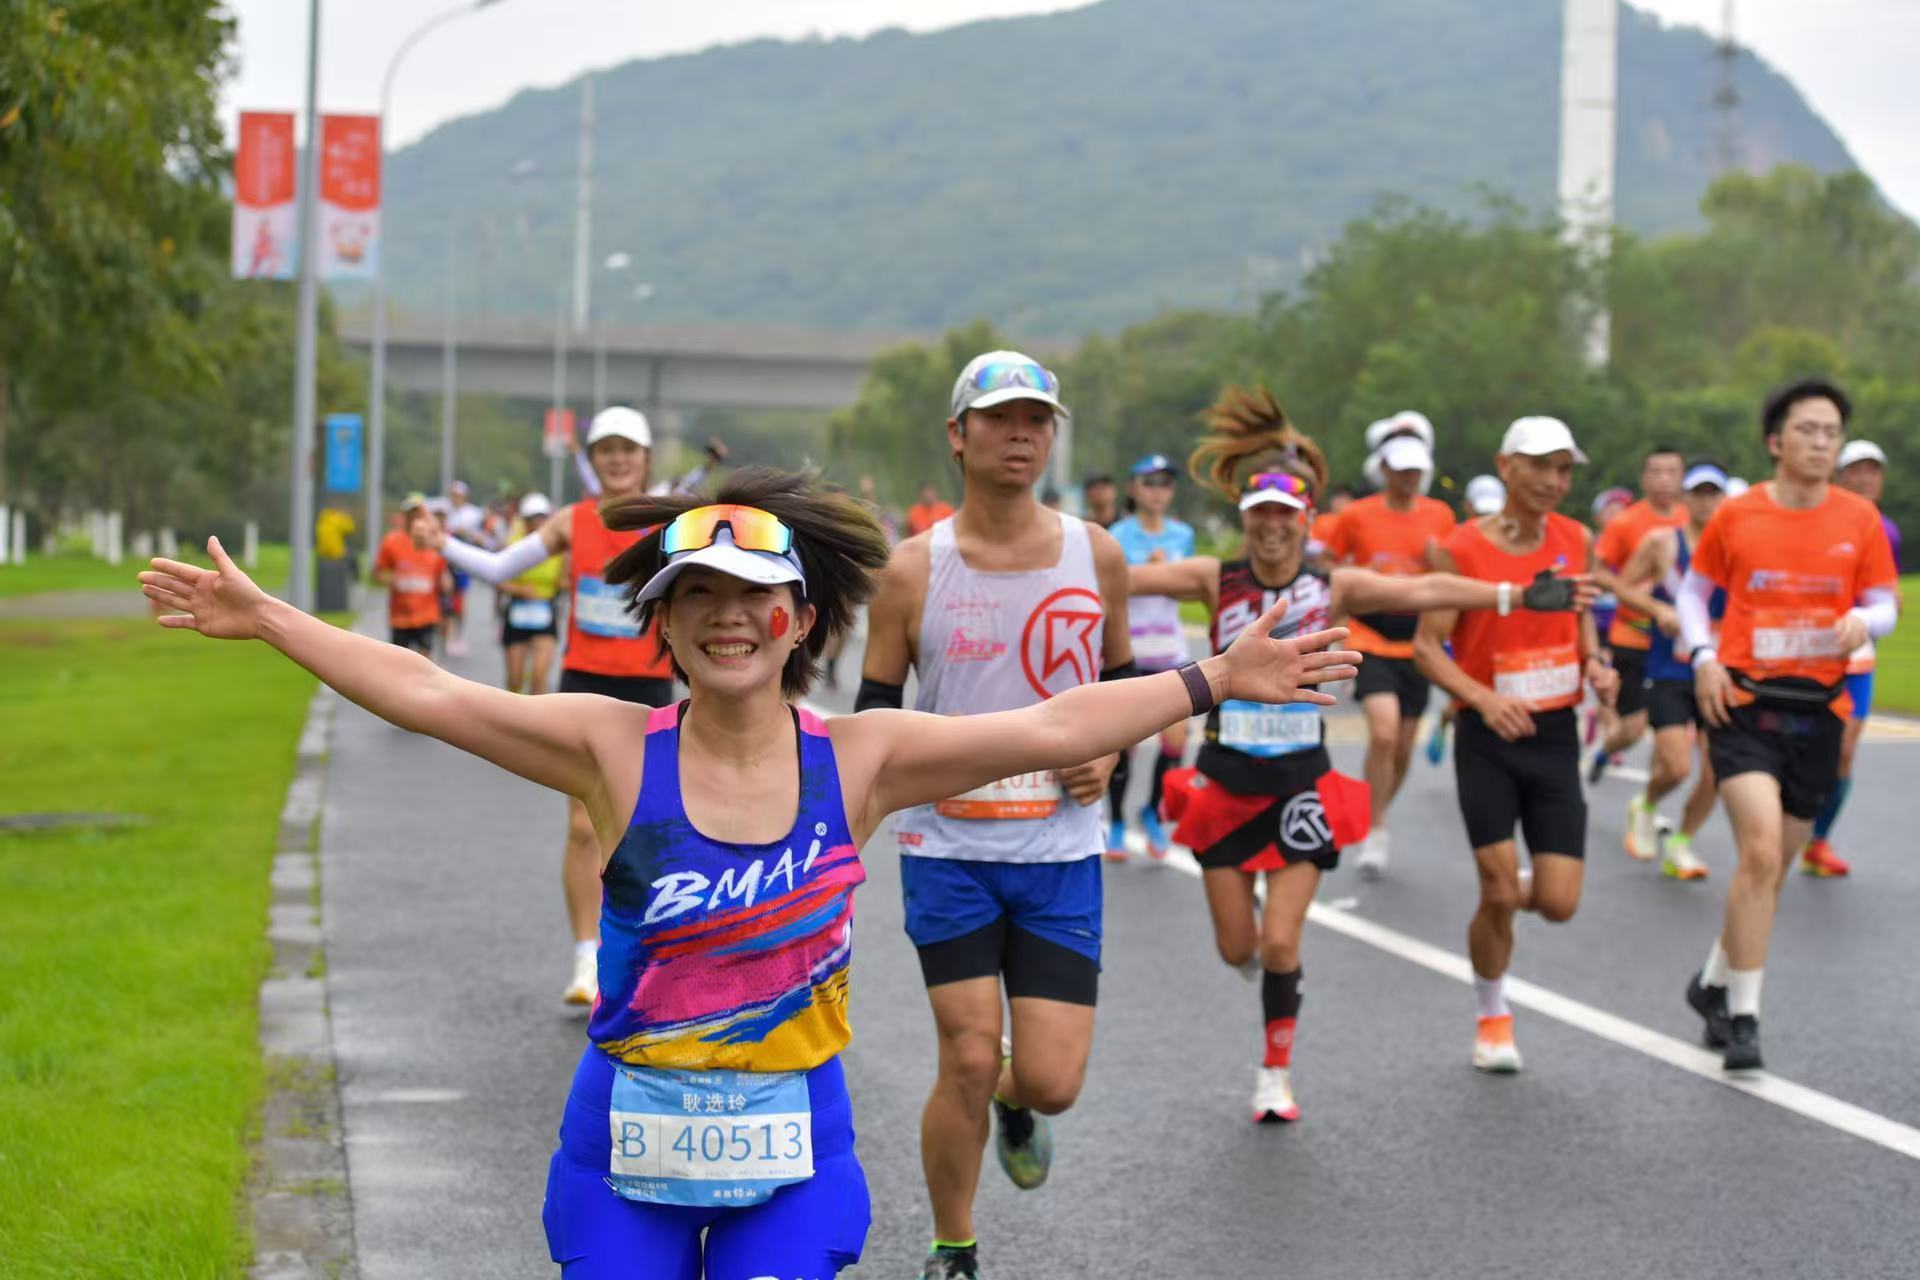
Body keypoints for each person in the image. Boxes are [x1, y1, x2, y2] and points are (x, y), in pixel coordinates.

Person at [139, 469, 1357, 1280]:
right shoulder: (608, 745)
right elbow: (427, 690)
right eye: (699, 599)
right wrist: (276, 621)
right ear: (660, 626)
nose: (729, 619)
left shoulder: (863, 759)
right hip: (623, 1142)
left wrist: (1213, 678)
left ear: (800, 624)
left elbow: (1052, 725)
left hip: (794, 1150)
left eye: (756, 600)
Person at [1131, 390, 1591, 1123]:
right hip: (1222, 784)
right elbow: (1117, 577)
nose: (1273, 527)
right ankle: (1251, 952)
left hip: (1299, 786)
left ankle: (1274, 1075)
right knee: (1236, 948)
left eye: (1286, 515)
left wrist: (1512, 595)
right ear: (1245, 519)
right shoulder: (1211, 579)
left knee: (1281, 944)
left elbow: (1429, 587)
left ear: (1306, 520)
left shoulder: (1331, 585)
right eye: (1260, 515)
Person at [858, 350, 1136, 1280]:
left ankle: (1015, 1104)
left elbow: (1129, 683)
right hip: (948, 850)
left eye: (1037, 420)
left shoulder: (1095, 553)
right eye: (1001, 419)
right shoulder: (911, 570)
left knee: (1049, 1082)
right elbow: (873, 721)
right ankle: (954, 1245)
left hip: (1060, 852)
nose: (1021, 435)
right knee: (968, 1058)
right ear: (958, 435)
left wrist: (1111, 747)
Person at [1680, 380, 1898, 1071]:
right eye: (1808, 429)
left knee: (1767, 870)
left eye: (1831, 431)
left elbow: (1885, 602)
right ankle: (1744, 1016)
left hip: (1820, 711)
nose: (1821, 442)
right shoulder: (1738, 516)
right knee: (1763, 853)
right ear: (1777, 442)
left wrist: (1866, 621)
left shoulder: (1858, 520)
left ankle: (1711, 981)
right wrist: (1704, 654)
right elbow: (1694, 592)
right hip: (1743, 705)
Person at [431, 406, 677, 1007]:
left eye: (628, 450)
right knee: (581, 826)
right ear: (591, 462)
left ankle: (647, 953)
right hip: (583, 685)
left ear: (646, 459)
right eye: (606, 451)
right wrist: (444, 545)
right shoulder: (573, 521)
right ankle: (586, 960)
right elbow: (498, 567)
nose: (618, 460)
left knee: (650, 825)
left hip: (650, 688)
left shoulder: (675, 524)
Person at [1414, 416, 1619, 1074]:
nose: (1555, 481)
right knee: (1502, 891)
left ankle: (1496, 892)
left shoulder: (1575, 537)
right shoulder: (1458, 548)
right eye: (1542, 466)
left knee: (1558, 903)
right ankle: (1492, 1012)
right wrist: (1482, 699)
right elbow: (1425, 647)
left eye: (1564, 469)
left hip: (1555, 734)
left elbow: (1581, 613)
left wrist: (1595, 662)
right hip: (1489, 734)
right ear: (1507, 466)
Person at [1325, 433, 1456, 877]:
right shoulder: (1357, 515)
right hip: (1369, 636)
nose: (1408, 478)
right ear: (1383, 470)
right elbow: (1327, 561)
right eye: (1400, 470)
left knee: (1402, 745)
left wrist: (1441, 562)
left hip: (1417, 640)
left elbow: (1452, 573)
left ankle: (1374, 810)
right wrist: (1353, 590)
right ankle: (1375, 828)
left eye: (1415, 471)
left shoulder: (1440, 515)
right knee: (1382, 733)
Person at [1608, 461, 1728, 879]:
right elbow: (1619, 585)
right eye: (1699, 493)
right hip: (1669, 669)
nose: (1706, 502)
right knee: (1677, 765)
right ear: (1686, 498)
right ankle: (1645, 804)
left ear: (1724, 499)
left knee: (1718, 772)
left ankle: (1681, 844)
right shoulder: (1663, 543)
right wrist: (1657, 607)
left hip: (1718, 672)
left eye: (1714, 494)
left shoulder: (1736, 545)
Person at [1800, 438, 1904, 876]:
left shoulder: (1889, 531)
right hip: (1806, 651)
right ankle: (1785, 821)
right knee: (1798, 744)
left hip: (1857, 656)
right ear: (1840, 476)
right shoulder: (1817, 521)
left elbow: (1885, 596)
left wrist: (1873, 620)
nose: (1866, 478)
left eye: (1873, 471)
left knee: (1843, 752)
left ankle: (1817, 842)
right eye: (1857, 470)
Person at [1104, 454, 1197, 859]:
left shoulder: (1183, 535)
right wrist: (1153, 573)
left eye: (1165, 483)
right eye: (1149, 482)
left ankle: (1152, 811)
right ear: (1133, 488)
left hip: (1171, 650)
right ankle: (1118, 821)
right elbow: (1109, 589)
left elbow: (1191, 588)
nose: (1157, 490)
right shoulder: (1117, 535)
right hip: (1128, 651)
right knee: (1124, 745)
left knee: (1175, 743)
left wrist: (1164, 579)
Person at [1588, 449, 1687, 781]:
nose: (1663, 479)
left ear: (1682, 478)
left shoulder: (1690, 520)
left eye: (1671, 471)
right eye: (1656, 471)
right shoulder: (1626, 523)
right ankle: (1603, 751)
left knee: (1670, 734)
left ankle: (1649, 808)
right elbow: (1598, 573)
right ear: (1644, 478)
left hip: (1675, 643)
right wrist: (1640, 593)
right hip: (1631, 634)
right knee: (1632, 728)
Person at [498, 492, 564, 696]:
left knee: (538, 678)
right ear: (524, 521)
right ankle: (514, 724)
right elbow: (498, 580)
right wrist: (520, 590)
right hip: (517, 612)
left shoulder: (560, 547)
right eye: (532, 519)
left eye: (541, 518)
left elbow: (566, 580)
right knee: (515, 680)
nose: (537, 523)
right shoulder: (513, 546)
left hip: (545, 614)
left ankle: (535, 727)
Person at [370, 494, 449, 657]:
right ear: (404, 515)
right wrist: (392, 579)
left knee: (423, 662)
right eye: (411, 512)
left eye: (419, 512)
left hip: (427, 614)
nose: (415, 516)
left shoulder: (433, 542)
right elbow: (377, 573)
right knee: (401, 664)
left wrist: (446, 583)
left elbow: (442, 574)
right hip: (400, 616)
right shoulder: (391, 541)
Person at [439, 480, 489, 658]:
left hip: (463, 562)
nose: (456, 498)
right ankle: (444, 638)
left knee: (459, 602)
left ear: (465, 496)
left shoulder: (474, 513)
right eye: (453, 494)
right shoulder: (444, 510)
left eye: (459, 495)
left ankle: (457, 635)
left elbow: (483, 537)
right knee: (444, 601)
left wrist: (469, 534)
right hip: (445, 561)